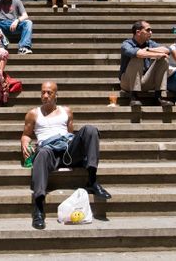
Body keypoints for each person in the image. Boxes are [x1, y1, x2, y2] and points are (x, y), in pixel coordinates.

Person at [21, 81, 111, 230]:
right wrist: (24, 143)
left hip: (68, 151)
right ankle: (38, 207)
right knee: (41, 153)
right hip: (48, 152)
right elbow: (26, 135)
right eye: (43, 92)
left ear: (56, 95)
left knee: (90, 130)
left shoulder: (66, 111)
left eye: (49, 92)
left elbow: (70, 134)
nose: (45, 95)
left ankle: (92, 181)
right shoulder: (33, 114)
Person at [119, 20, 173, 106]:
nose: (151, 32)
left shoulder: (150, 44)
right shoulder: (126, 44)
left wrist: (148, 49)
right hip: (127, 82)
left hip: (146, 80)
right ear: (138, 32)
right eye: (148, 30)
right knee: (137, 58)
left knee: (164, 59)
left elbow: (167, 50)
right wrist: (155, 53)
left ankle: (159, 97)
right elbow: (139, 54)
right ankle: (134, 97)